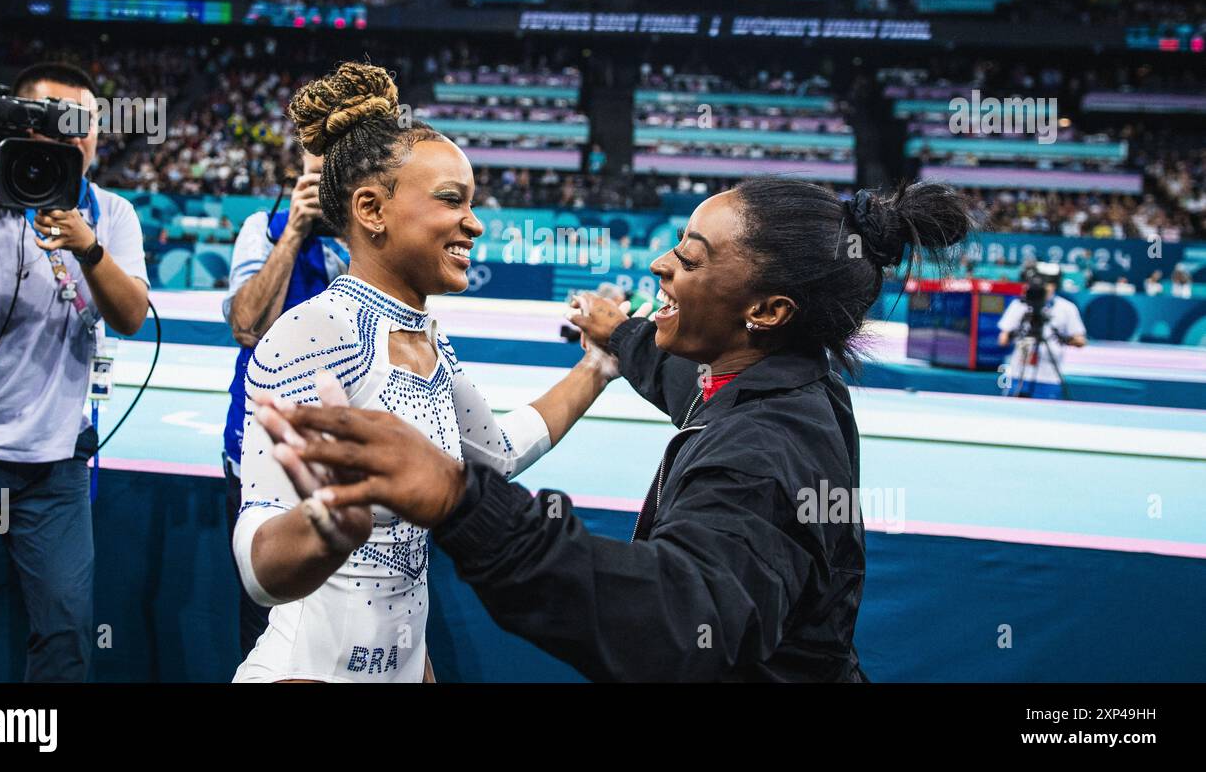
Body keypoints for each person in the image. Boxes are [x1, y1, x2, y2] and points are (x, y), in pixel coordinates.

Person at [253, 179, 974, 681]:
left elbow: (672, 623)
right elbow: (680, 379)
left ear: (768, 310)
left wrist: (460, 498)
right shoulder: (779, 379)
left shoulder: (763, 452)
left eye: (689, 258)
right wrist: (616, 336)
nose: (661, 262)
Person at [230, 63, 614, 683]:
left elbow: (496, 456)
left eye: (472, 200)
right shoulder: (316, 332)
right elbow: (257, 560)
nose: (476, 222)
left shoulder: (430, 343)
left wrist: (598, 366)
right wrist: (323, 530)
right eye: (450, 200)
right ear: (370, 209)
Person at [0, 62, 149, 681]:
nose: (75, 137)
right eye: (57, 122)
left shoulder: (111, 214)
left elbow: (128, 317)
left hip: (52, 465)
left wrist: (87, 246)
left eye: (86, 125)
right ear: (23, 128)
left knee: (67, 633)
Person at [220, 148, 348, 658]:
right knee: (264, 627)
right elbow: (247, 326)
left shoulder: (371, 240)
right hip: (257, 458)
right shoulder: (263, 228)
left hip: (344, 460)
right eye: (314, 168)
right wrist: (293, 234)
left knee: (351, 621)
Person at [996, 263, 1086, 400]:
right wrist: (1017, 333)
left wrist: (1062, 338)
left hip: (1049, 377)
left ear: (1054, 286)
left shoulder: (1067, 308)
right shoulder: (1019, 305)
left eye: (1047, 284)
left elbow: (1081, 340)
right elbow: (1002, 339)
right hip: (1018, 374)